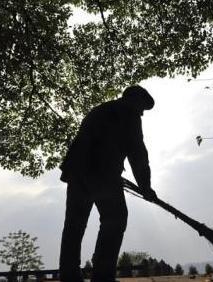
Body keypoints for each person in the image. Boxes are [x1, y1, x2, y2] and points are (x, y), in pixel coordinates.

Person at [59, 85, 157, 282]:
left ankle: (69, 275)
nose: (142, 114)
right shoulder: (128, 114)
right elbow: (137, 153)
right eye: (142, 108)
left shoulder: (99, 109)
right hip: (103, 175)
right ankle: (103, 274)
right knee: (116, 218)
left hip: (76, 173)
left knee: (74, 225)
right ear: (134, 99)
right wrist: (145, 187)